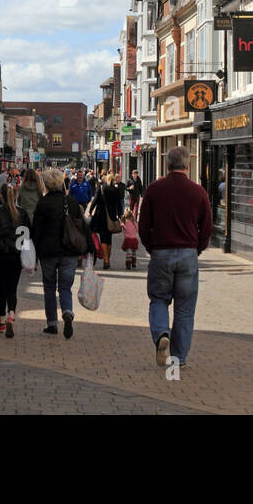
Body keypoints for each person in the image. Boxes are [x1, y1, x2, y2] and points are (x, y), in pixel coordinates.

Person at [140, 146, 212, 368]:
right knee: (184, 308)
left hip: (161, 252)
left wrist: (152, 247)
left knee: (159, 299)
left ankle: (162, 333)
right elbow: (207, 227)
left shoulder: (154, 190)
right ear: (187, 165)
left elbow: (143, 225)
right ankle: (178, 358)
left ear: (167, 164)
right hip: (188, 254)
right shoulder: (198, 192)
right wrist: (197, 248)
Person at [31, 168, 93, 338]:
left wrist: (33, 255)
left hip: (48, 252)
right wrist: (89, 248)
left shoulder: (42, 204)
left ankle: (52, 323)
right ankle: (67, 311)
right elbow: (83, 225)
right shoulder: (71, 202)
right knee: (65, 286)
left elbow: (36, 231)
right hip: (69, 251)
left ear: (46, 184)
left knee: (49, 288)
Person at [0, 181, 31, 337]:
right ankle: (12, 315)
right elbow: (27, 236)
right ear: (16, 195)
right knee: (13, 287)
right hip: (16, 254)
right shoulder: (22, 213)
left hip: (0, 254)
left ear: (0, 195)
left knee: (2, 286)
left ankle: (1, 321)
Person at [90, 173, 124, 269]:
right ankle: (107, 257)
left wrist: (90, 211)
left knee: (103, 238)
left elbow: (95, 201)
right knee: (109, 238)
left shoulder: (101, 189)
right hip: (112, 216)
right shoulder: (116, 190)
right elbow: (119, 204)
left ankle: (106, 260)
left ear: (105, 180)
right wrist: (119, 215)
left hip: (101, 216)